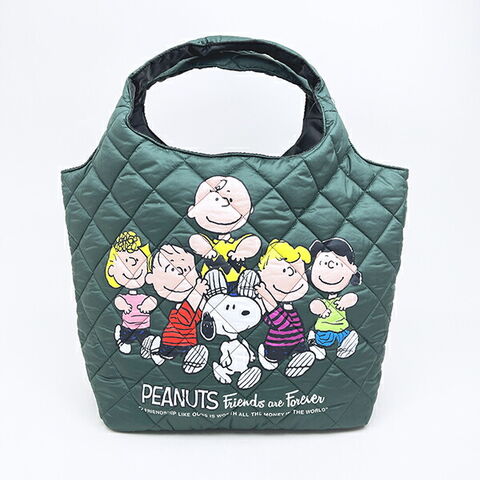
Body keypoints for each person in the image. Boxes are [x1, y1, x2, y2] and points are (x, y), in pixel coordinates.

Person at [307, 238, 362, 359]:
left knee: (344, 336)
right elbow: (314, 305)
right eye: (322, 264)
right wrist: (322, 310)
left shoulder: (341, 299)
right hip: (325, 329)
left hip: (342, 328)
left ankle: (345, 347)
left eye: (337, 264)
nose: (331, 268)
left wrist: (345, 302)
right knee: (324, 339)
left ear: (353, 269)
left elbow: (352, 297)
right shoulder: (323, 301)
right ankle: (315, 343)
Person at [105, 231, 157, 357]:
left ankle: (149, 347)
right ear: (111, 270)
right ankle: (121, 338)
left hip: (144, 326)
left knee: (145, 338)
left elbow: (152, 301)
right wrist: (124, 305)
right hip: (128, 326)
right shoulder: (124, 296)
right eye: (126, 262)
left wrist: (148, 304)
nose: (133, 267)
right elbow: (118, 301)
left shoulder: (143, 296)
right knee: (126, 338)